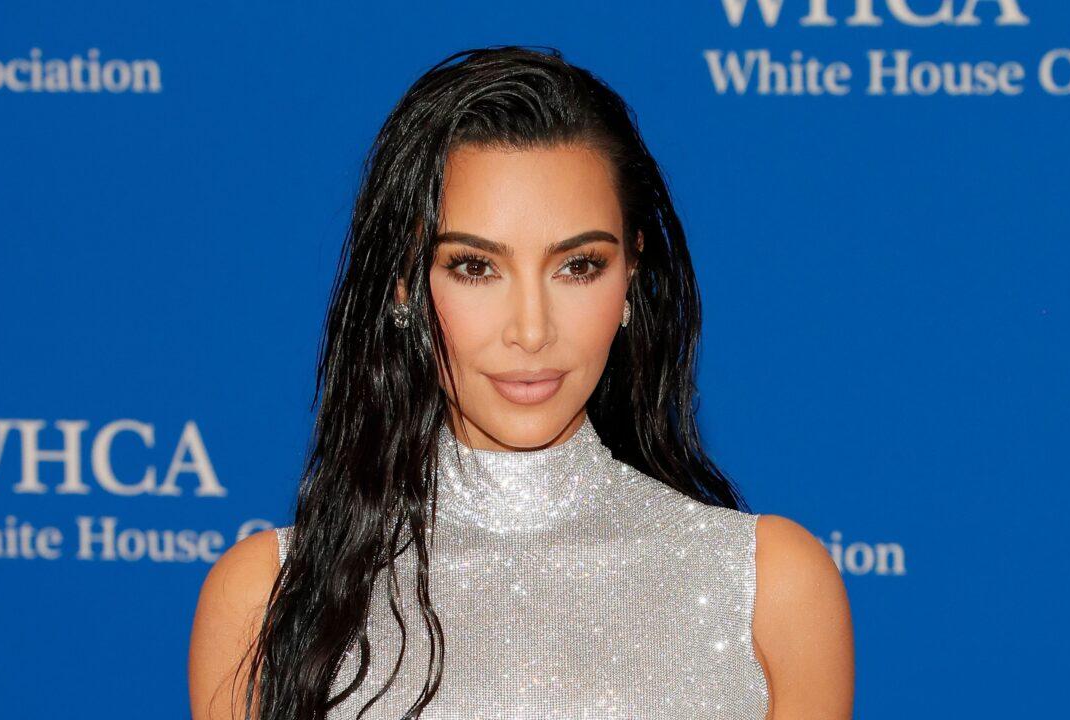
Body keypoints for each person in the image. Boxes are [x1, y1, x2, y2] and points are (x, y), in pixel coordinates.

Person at [187, 45, 853, 720]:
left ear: (630, 274)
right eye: (475, 267)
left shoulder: (765, 589)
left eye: (578, 266)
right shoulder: (266, 596)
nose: (531, 331)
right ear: (403, 284)